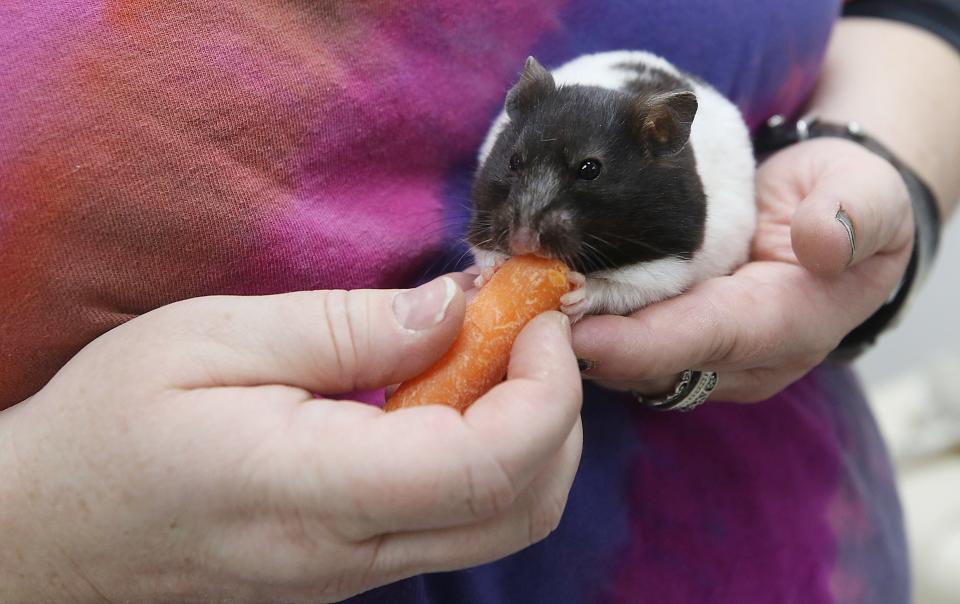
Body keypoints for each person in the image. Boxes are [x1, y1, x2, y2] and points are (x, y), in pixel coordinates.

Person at [0, 1, 957, 602]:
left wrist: (883, 172)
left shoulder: (667, 157)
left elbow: (918, 13)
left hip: (783, 540)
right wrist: (33, 534)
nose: (527, 231)